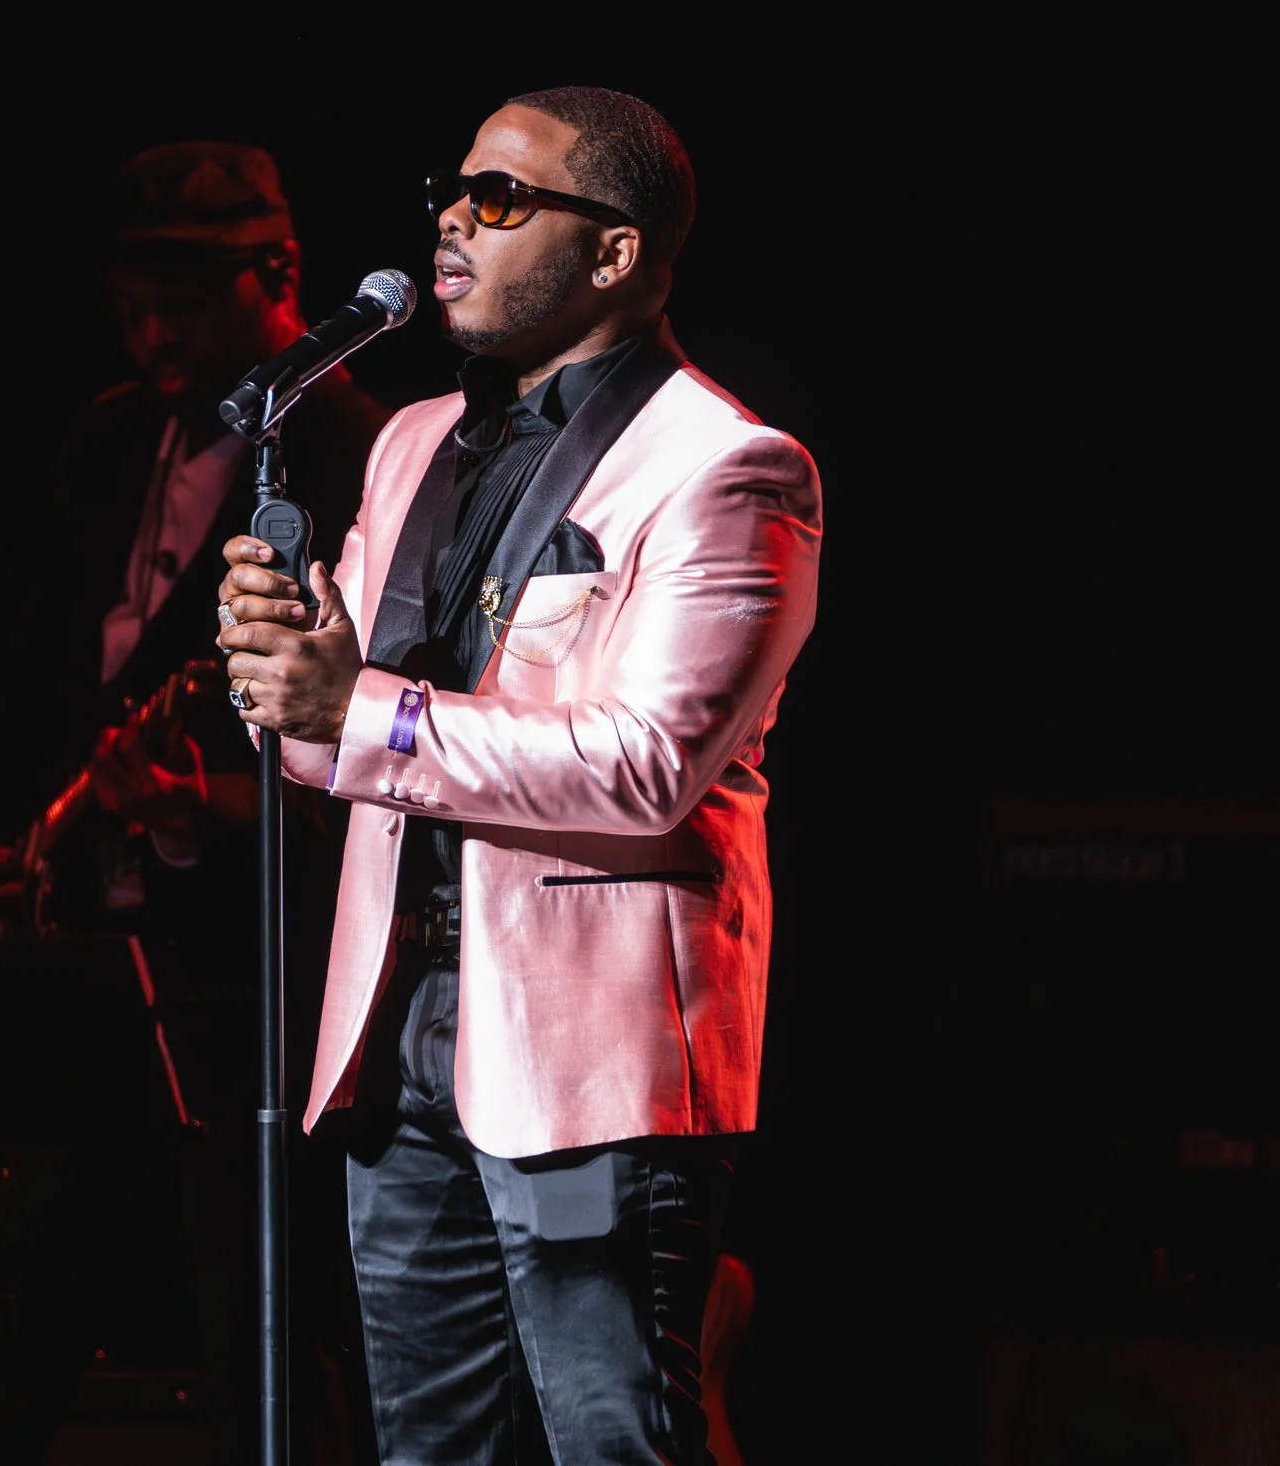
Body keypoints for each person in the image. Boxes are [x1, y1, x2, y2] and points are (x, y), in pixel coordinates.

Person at [213, 86, 824, 1464]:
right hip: (396, 1031)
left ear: (615, 251)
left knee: (614, 1438)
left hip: (589, 1056)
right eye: (452, 188)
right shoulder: (410, 440)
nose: (453, 218)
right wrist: (287, 684)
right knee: (428, 1446)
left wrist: (355, 708)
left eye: (500, 197)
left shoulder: (726, 468)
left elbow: (645, 766)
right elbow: (338, 744)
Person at [0, 138, 393, 1460]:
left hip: (251, 989)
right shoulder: (109, 436)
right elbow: (28, 663)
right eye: (129, 303)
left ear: (280, 275)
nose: (152, 330)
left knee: (269, 1359)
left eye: (181, 297)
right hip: (84, 955)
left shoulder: (365, 453)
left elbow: (391, 753)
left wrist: (201, 805)